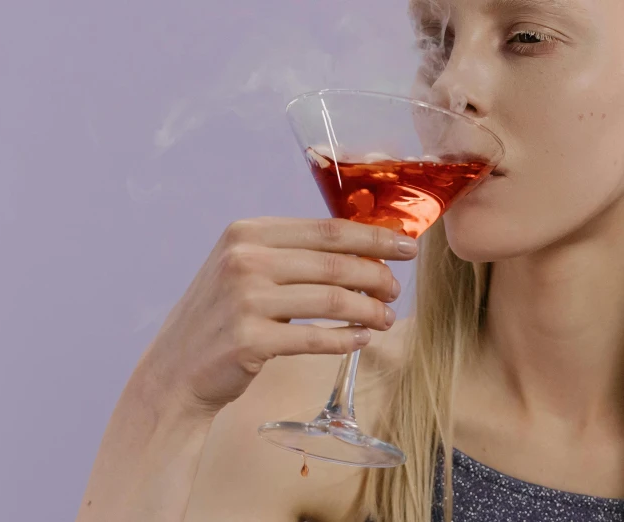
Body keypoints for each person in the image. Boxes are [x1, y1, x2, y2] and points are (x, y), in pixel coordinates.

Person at [77, 0, 624, 520]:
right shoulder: (288, 421)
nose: (449, 84)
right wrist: (162, 398)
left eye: (527, 37)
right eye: (440, 40)